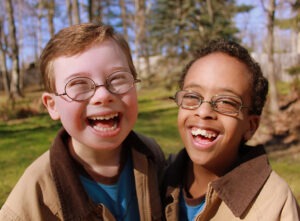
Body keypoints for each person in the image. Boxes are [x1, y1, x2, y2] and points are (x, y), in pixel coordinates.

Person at [0, 23, 165, 221]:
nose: (103, 95)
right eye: (78, 84)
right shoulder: (33, 197)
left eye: (118, 78)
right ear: (52, 105)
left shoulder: (150, 155)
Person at [162, 39, 300, 220]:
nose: (204, 112)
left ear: (250, 126)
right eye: (192, 96)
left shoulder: (275, 204)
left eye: (226, 102)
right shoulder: (159, 177)